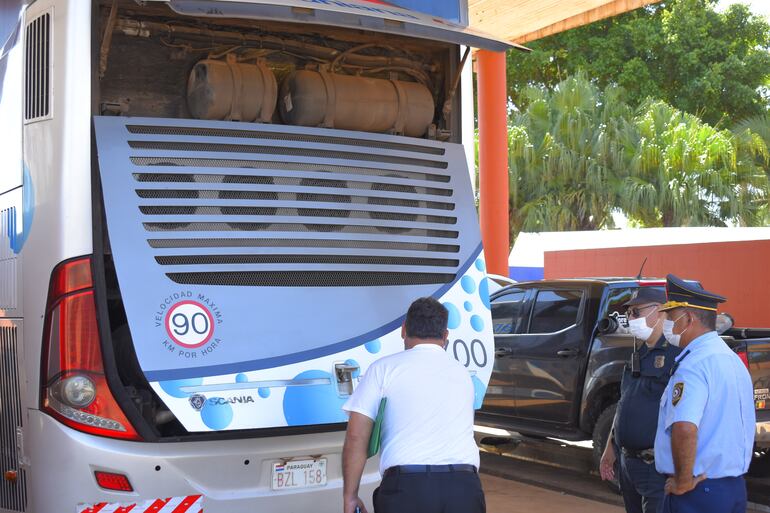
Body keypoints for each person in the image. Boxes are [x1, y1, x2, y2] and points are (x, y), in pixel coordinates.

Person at [341, 297, 483, 513]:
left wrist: (350, 496)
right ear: (445, 336)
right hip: (464, 488)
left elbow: (356, 436)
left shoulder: (383, 369)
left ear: (403, 330)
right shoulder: (462, 373)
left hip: (407, 490)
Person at [655, 274, 755, 513]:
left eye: (670, 316)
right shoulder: (730, 359)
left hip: (698, 492)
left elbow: (685, 428)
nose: (666, 324)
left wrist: (683, 481)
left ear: (688, 318)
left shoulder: (694, 365)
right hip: (732, 488)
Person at [599, 287, 680, 513]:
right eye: (629, 314)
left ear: (661, 311)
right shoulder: (639, 352)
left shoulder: (676, 354)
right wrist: (610, 448)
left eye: (636, 312)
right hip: (628, 463)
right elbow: (625, 402)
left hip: (656, 466)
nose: (630, 319)